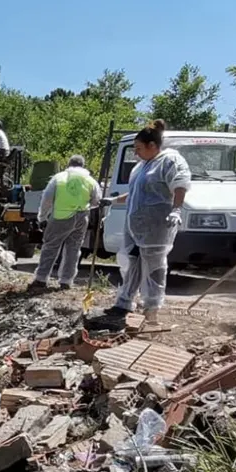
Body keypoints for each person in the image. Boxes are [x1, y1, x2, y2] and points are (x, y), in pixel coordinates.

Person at [96, 120, 190, 327]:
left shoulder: (170, 161)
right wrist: (114, 200)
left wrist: (176, 209)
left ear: (152, 146)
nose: (136, 153)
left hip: (156, 225)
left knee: (154, 267)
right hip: (136, 226)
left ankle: (152, 308)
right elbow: (136, 194)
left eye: (139, 148)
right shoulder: (142, 166)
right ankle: (124, 302)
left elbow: (180, 185)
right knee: (132, 263)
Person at [29, 155, 101, 292]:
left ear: (69, 164)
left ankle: (41, 278)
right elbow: (96, 201)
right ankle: (66, 281)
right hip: (82, 217)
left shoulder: (59, 178)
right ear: (83, 165)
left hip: (60, 217)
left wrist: (42, 217)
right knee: (74, 249)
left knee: (50, 247)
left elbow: (47, 199)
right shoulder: (90, 180)